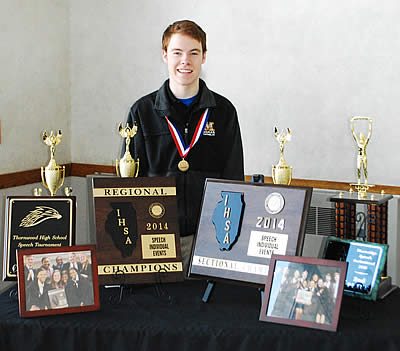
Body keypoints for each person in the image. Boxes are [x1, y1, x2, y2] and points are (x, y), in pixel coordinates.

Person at [124, 20, 244, 269]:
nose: (185, 61)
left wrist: (228, 240)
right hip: (155, 238)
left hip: (209, 240)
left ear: (204, 57)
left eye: (194, 53)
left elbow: (233, 178)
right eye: (177, 53)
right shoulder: (141, 112)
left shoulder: (224, 112)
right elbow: (130, 183)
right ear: (165, 55)